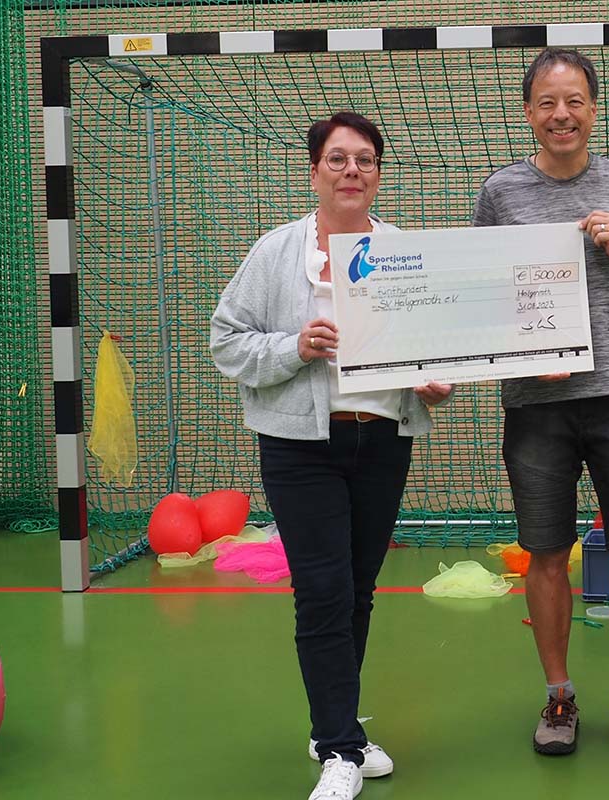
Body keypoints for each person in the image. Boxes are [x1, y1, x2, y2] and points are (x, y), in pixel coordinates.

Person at [211, 112, 453, 800]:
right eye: (338, 159)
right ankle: (341, 752)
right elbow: (227, 341)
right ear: (313, 171)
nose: (353, 171)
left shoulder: (404, 251)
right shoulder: (277, 252)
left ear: (378, 173)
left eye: (366, 160)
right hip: (299, 447)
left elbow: (430, 350)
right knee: (321, 591)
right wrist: (295, 346)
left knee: (357, 590)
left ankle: (335, 726)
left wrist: (432, 381)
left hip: (381, 441)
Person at [471, 48, 609, 768]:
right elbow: (480, 297)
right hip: (536, 406)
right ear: (529, 112)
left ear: (593, 109)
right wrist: (511, 346)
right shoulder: (500, 192)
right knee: (544, 554)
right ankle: (559, 695)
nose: (560, 114)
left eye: (574, 101)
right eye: (546, 102)